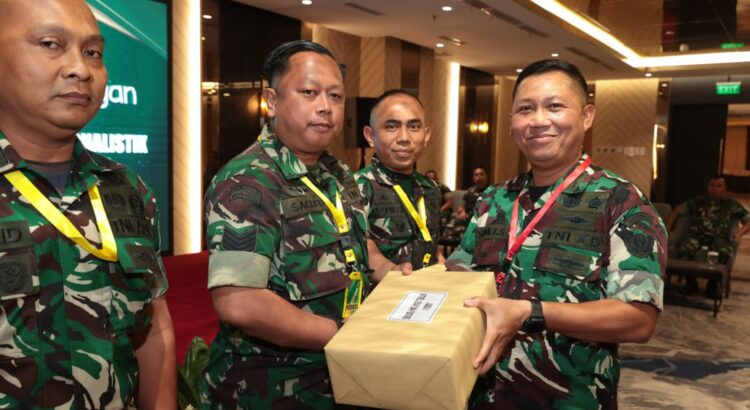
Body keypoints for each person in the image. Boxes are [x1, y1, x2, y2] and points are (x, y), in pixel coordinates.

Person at [445, 59, 666, 409]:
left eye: (555, 106)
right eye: (526, 109)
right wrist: (413, 280)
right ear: (511, 123)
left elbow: (638, 319)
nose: (538, 120)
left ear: (587, 116)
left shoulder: (621, 201)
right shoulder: (494, 198)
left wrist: (530, 312)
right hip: (477, 394)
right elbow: (457, 272)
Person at [0, 0, 176, 408]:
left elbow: (153, 325)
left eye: (93, 52)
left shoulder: (127, 188)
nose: (81, 69)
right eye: (51, 44)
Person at [201, 41, 371, 408]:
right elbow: (239, 302)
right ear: (272, 101)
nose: (325, 106)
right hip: (269, 389)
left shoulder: (337, 172)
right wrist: (342, 333)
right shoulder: (248, 181)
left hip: (338, 377)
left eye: (335, 96)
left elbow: (356, 247)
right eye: (309, 92)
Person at [355, 90, 443, 279]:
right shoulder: (357, 187)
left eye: (414, 127)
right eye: (391, 126)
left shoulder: (431, 188)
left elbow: (431, 243)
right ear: (370, 136)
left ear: (426, 136)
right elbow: (363, 246)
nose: (404, 137)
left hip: (427, 290)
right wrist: (393, 273)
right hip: (382, 292)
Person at [667, 175, 750, 296]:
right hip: (696, 236)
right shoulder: (698, 201)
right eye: (712, 185)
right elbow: (676, 211)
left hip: (719, 238)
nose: (715, 188)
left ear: (724, 188)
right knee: (684, 251)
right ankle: (691, 283)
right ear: (708, 187)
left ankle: (712, 285)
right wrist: (666, 228)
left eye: (719, 186)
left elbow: (748, 220)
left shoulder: (731, 204)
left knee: (724, 253)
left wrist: (739, 234)